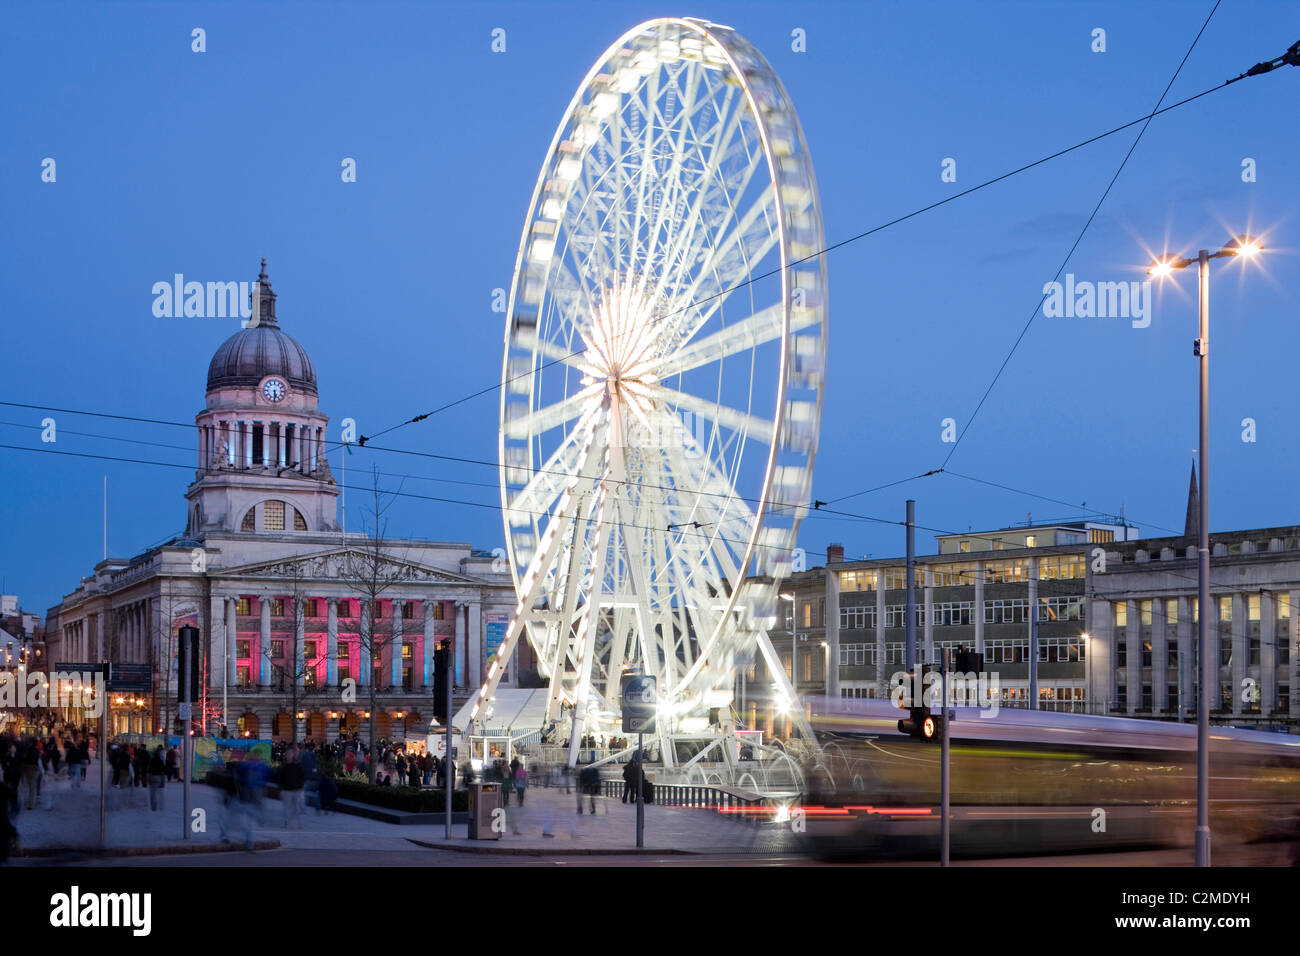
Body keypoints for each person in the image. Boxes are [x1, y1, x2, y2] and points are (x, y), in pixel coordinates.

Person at [148, 746, 167, 811]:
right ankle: (160, 806)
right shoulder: (160, 761)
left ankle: (153, 806)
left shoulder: (152, 760)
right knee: (158, 792)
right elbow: (163, 770)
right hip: (158, 777)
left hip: (152, 776)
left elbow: (149, 768)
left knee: (152, 793)